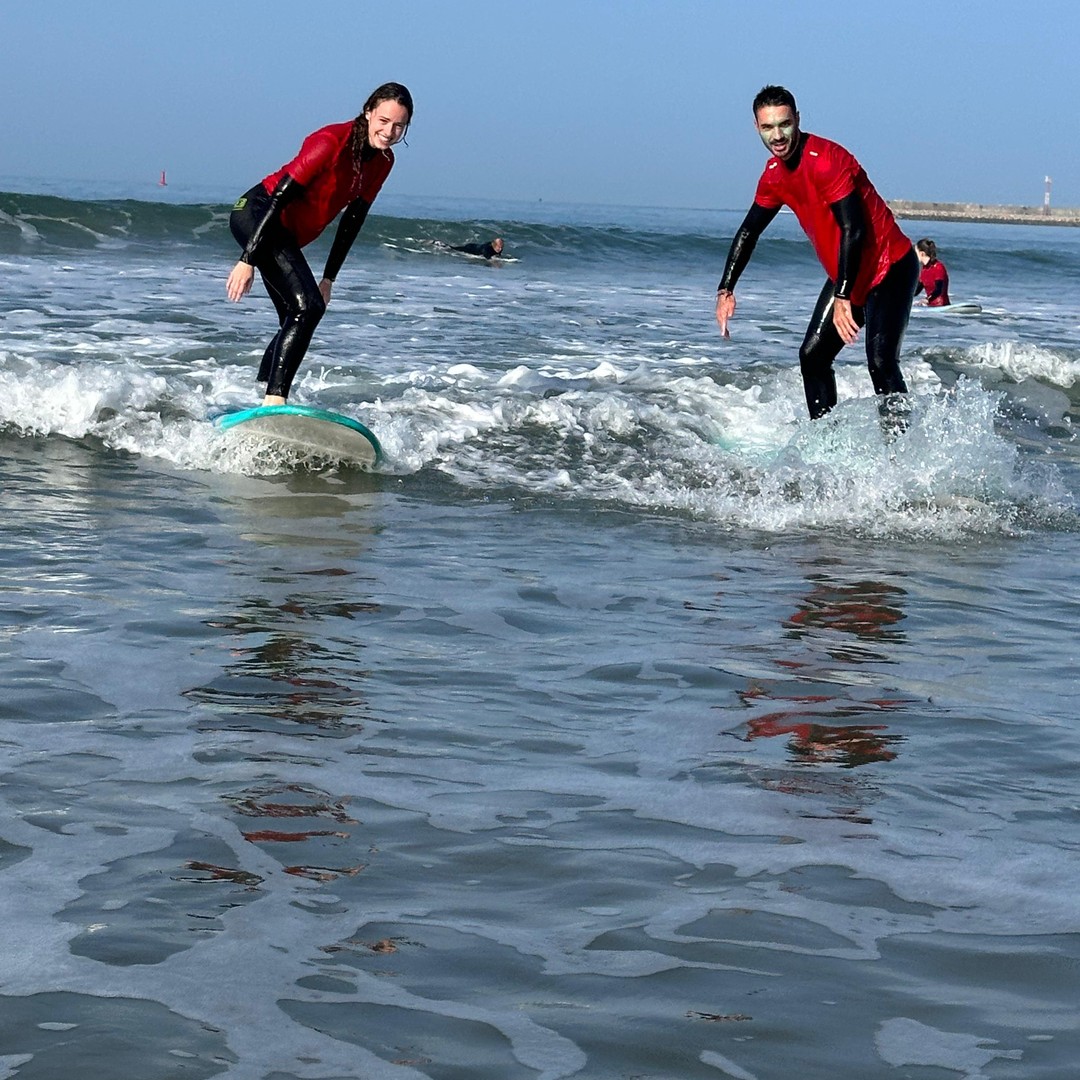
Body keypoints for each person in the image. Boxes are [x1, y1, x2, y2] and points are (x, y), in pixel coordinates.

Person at [715, 85, 919, 421]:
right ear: (756, 127)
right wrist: (726, 289)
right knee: (812, 357)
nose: (777, 136)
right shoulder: (773, 176)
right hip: (849, 272)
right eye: (768, 127)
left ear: (797, 119)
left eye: (784, 124)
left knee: (881, 362)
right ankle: (827, 442)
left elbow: (854, 229)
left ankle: (901, 446)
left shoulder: (826, 161)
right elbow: (749, 231)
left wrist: (843, 295)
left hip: (890, 266)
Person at [226, 82, 413, 405]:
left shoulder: (383, 161)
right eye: (384, 120)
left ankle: (259, 393)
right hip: (258, 213)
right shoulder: (330, 142)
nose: (389, 132)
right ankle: (274, 400)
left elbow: (353, 220)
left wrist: (329, 278)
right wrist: (247, 260)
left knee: (296, 314)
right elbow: (280, 196)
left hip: (283, 232)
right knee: (307, 307)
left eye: (399, 126)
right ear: (368, 112)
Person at [915, 238, 950, 307]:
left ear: (922, 254)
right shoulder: (924, 269)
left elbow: (938, 290)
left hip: (942, 306)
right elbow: (917, 290)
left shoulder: (938, 267)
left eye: (916, 252)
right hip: (931, 308)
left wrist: (927, 299)